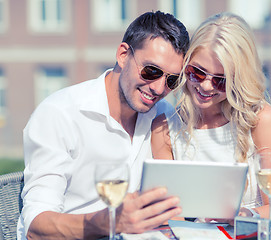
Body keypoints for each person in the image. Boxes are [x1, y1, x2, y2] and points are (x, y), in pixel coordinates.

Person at [18, 11, 189, 239]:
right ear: (123, 55)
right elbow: (35, 227)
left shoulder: (165, 116)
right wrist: (110, 222)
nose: (159, 88)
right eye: (151, 71)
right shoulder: (59, 114)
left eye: (171, 80)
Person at [151, 12, 271, 230]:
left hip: (261, 231)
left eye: (221, 81)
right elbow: (170, 216)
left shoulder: (260, 119)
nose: (205, 86)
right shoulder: (164, 129)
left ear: (238, 79)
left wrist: (242, 215)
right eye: (197, 72)